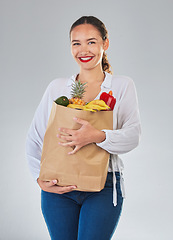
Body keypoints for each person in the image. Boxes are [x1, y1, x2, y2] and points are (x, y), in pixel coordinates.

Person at [26, 16, 141, 240]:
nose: (83, 49)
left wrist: (96, 136)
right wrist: (38, 178)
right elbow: (36, 136)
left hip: (104, 187)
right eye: (76, 43)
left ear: (105, 44)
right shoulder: (57, 87)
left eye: (91, 42)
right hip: (58, 187)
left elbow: (133, 136)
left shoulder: (121, 86)